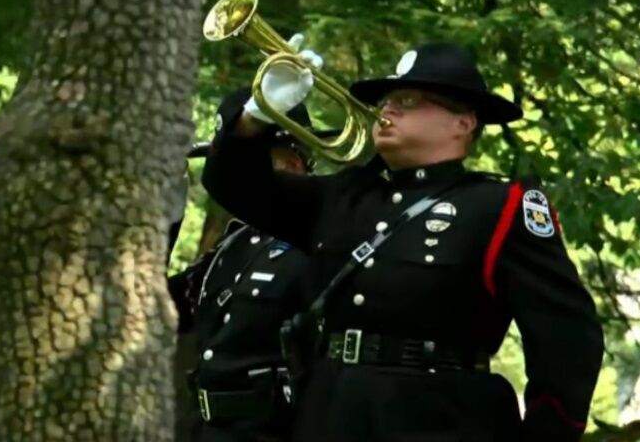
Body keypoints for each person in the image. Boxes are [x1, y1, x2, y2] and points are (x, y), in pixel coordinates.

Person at [202, 41, 605, 441]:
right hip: (331, 416)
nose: (388, 109)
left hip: (441, 420)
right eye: (387, 99)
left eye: (409, 100)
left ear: (463, 122)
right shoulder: (345, 196)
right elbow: (234, 186)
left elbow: (567, 340)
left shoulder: (498, 207)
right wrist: (252, 119)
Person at [167, 87, 320, 442]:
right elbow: (152, 306)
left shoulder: (317, 241)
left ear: (291, 165)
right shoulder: (233, 244)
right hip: (202, 428)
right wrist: (165, 216)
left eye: (242, 165)